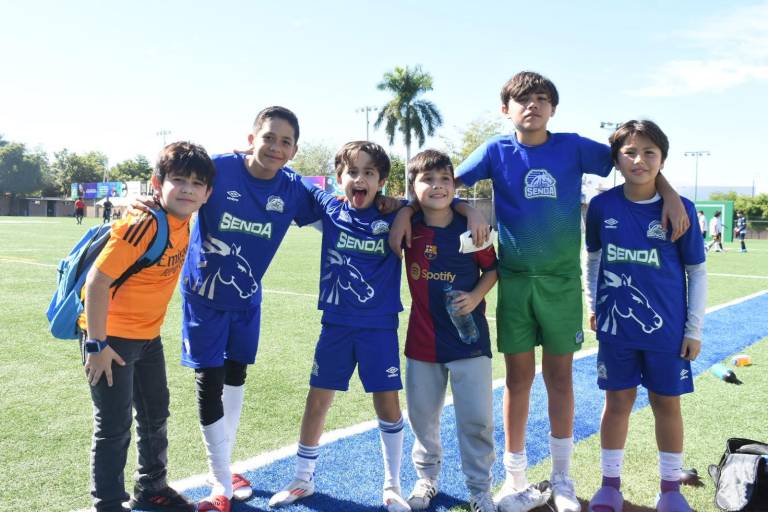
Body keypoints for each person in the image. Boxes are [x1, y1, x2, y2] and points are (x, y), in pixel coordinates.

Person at [389, 71, 690, 512]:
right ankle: (514, 479)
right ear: (505, 109)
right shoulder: (495, 149)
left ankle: (563, 478)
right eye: (522, 99)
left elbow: (635, 157)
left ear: (553, 108)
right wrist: (408, 211)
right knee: (517, 380)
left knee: (561, 380)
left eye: (542, 99)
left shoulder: (571, 146)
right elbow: (440, 180)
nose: (533, 105)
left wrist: (669, 192)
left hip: (562, 284)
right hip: (514, 281)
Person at [179, 107, 319, 512]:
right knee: (210, 378)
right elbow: (178, 190)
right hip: (203, 297)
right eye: (269, 137)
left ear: (294, 151)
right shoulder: (217, 169)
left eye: (285, 141)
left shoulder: (292, 189)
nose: (276, 147)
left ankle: (224, 468)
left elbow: (337, 215)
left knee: (236, 375)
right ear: (251, 137)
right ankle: (221, 481)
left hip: (246, 300)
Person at [268, 141, 415, 511]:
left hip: (379, 327)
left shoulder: (393, 215)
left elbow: (436, 198)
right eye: (352, 172)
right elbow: (289, 177)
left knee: (387, 403)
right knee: (317, 400)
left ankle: (392, 485)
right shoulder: (330, 209)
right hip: (335, 325)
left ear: (382, 181)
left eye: (369, 173)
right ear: (339, 178)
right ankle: (303, 478)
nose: (360, 179)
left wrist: (406, 208)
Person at [80, 142, 215, 512]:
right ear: (158, 183)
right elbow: (96, 283)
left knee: (156, 413)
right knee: (114, 424)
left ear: (207, 193)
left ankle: (152, 487)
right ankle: (107, 504)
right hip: (109, 338)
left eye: (197, 182)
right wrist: (96, 344)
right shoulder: (143, 223)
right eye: (178, 180)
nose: (187, 188)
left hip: (147, 337)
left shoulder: (187, 220)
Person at [583, 120, 706, 512]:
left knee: (666, 404)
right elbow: (594, 260)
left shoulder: (681, 209)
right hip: (618, 333)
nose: (639, 160)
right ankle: (610, 486)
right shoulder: (602, 207)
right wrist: (593, 304)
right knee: (616, 403)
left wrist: (694, 329)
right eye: (630, 152)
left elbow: (697, 272)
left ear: (663, 159)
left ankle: (670, 490)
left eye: (649, 152)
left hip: (667, 331)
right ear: (616, 160)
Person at [400, 150, 498, 512]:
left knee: (476, 421)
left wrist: (474, 296)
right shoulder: (408, 225)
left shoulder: (472, 229)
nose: (438, 187)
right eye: (428, 180)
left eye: (445, 179)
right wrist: (404, 214)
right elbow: (390, 206)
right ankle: (427, 479)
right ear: (413, 187)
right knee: (422, 418)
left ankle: (479, 489)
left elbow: (493, 269)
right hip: (422, 342)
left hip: (469, 342)